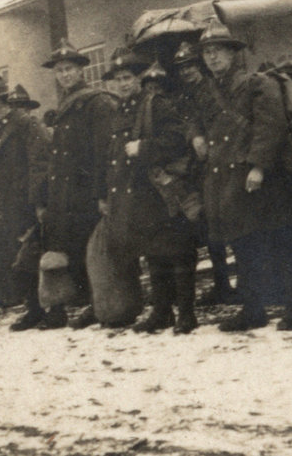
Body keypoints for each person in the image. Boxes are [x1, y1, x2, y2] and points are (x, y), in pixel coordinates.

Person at [198, 21, 292, 333]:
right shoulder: (212, 91)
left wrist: (258, 167)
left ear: (233, 54)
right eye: (207, 53)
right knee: (244, 246)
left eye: (218, 51)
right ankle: (253, 310)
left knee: (280, 243)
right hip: (231, 181)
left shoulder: (257, 83)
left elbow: (270, 126)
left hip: (263, 180)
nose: (213, 58)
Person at [103, 54, 197, 333]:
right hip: (137, 194)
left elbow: (177, 139)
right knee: (153, 253)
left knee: (177, 252)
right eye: (118, 79)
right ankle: (161, 311)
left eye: (127, 78)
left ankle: (187, 314)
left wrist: (144, 148)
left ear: (138, 79)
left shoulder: (156, 104)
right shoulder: (119, 111)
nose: (122, 84)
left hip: (161, 191)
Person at [39, 39, 116, 330]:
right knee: (69, 248)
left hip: (85, 190)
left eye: (69, 69)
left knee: (91, 250)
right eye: (59, 71)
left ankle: (99, 305)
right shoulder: (65, 106)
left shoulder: (95, 102)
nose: (64, 75)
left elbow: (102, 152)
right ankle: (83, 305)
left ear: (81, 71)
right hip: (65, 194)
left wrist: (101, 192)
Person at [0, 73, 50, 331]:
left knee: (33, 255)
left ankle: (50, 309)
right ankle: (33, 308)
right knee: (18, 260)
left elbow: (39, 164)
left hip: (23, 203)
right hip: (1, 206)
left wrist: (36, 200)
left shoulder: (25, 124)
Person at [170, 42, 237, 307]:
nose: (187, 72)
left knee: (229, 225)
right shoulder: (186, 96)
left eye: (190, 66)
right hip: (198, 168)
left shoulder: (213, 88)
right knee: (211, 229)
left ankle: (244, 284)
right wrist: (193, 135)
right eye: (182, 68)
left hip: (219, 161)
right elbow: (188, 123)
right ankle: (222, 284)